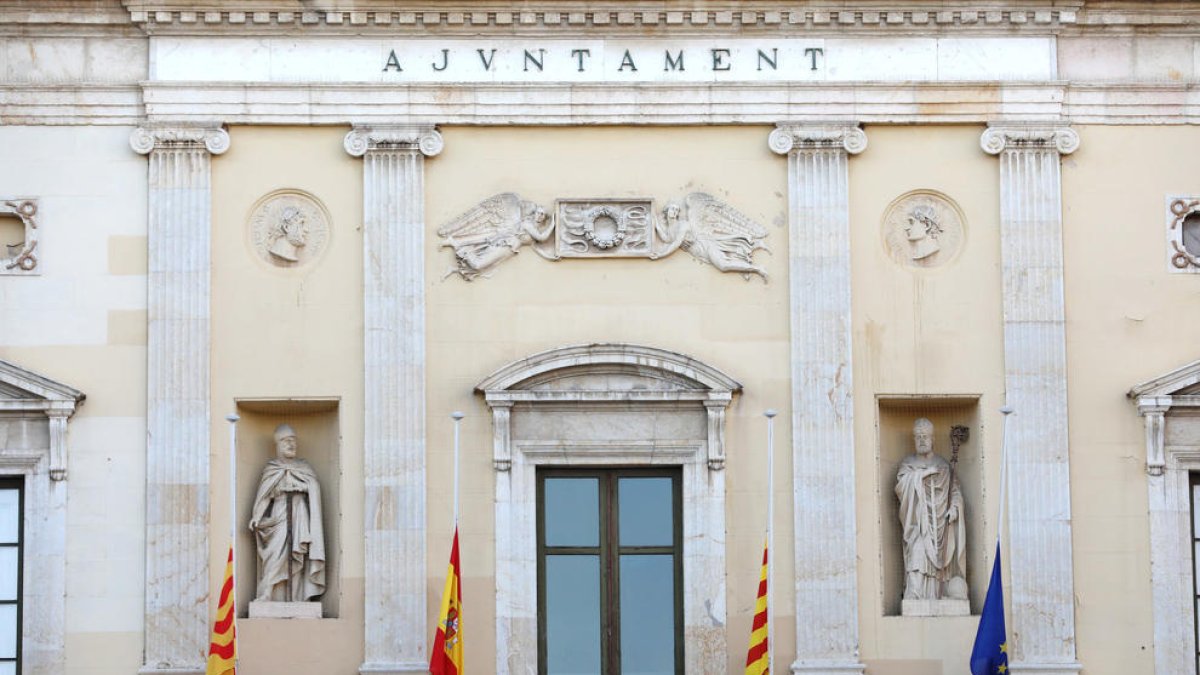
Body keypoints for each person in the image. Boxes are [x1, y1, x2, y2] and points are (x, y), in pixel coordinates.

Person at [249, 424, 326, 602]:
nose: (292, 445)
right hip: (279, 514)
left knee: (297, 553)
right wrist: (257, 516)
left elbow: (313, 487)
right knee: (275, 555)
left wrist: (301, 487)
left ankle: (297, 597)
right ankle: (267, 593)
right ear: (279, 444)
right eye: (287, 441)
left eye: (294, 441)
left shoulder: (303, 467)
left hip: (299, 513)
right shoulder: (272, 469)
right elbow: (265, 497)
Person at [895, 417, 966, 601]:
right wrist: (922, 474)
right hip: (919, 525)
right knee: (917, 550)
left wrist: (954, 508)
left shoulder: (943, 465)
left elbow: (955, 491)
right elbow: (901, 486)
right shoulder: (908, 464)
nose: (922, 440)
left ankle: (940, 595)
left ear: (933, 439)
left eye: (925, 436)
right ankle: (915, 593)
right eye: (918, 437)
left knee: (943, 560)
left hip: (941, 526)